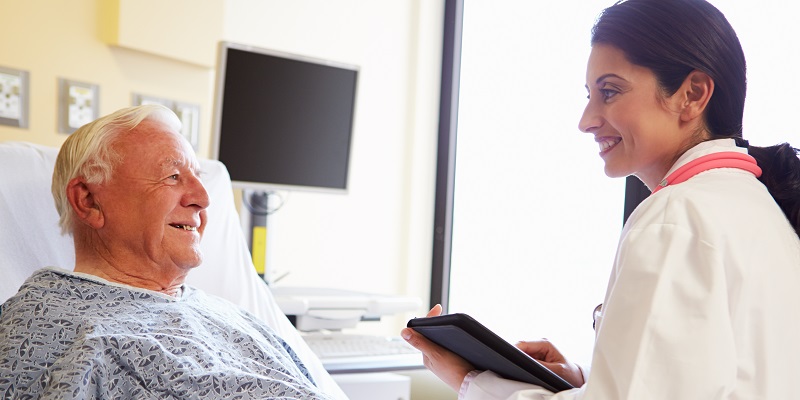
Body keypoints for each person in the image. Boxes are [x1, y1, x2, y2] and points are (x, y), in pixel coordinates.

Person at [401, 0, 800, 398]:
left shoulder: (675, 217)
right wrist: (586, 375)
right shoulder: (756, 207)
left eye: (609, 91)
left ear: (692, 94)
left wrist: (470, 381)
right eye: (589, 94)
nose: (586, 120)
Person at [0, 104, 341, 399]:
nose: (203, 198)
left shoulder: (237, 319)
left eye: (198, 177)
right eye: (173, 176)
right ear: (88, 201)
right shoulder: (54, 330)